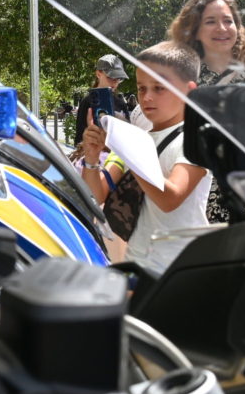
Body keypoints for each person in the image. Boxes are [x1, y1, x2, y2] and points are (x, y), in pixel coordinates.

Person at [79, 43, 212, 274]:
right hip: (138, 263)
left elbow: (169, 199)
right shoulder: (138, 139)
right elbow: (98, 193)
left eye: (159, 88)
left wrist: (131, 153)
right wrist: (91, 158)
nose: (147, 97)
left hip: (179, 268)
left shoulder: (195, 140)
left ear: (189, 90)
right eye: (141, 88)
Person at [168, 0, 245, 223]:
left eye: (228, 21)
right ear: (194, 29)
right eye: (211, 21)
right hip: (194, 203)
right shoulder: (179, 82)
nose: (222, 28)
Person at [74, 54, 131, 143]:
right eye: (110, 77)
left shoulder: (121, 103)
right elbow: (79, 138)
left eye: (119, 78)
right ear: (98, 74)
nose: (115, 82)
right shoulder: (88, 102)